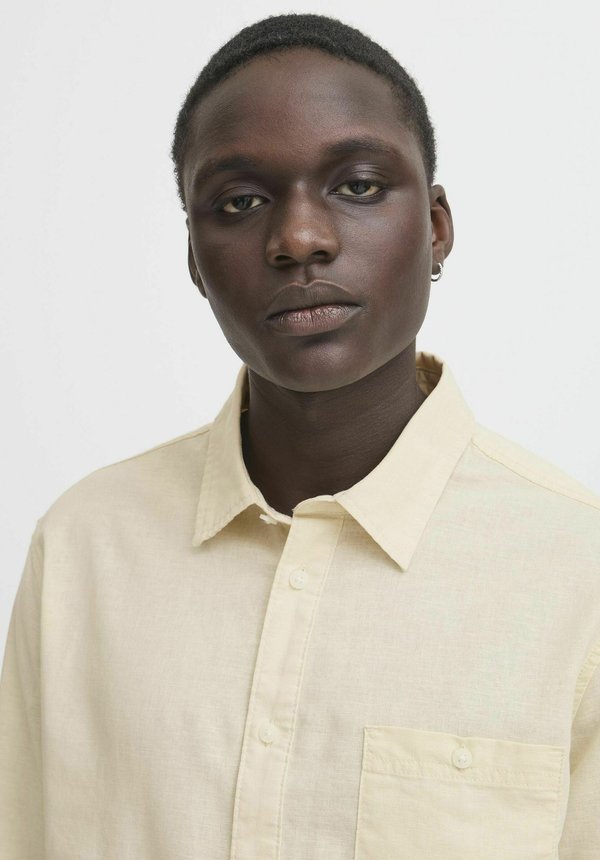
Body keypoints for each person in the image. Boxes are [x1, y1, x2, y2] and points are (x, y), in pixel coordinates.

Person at [1, 12, 599, 858]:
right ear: (194, 259)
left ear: (436, 227)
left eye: (359, 186)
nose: (299, 240)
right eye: (241, 202)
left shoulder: (579, 577)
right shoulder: (83, 548)